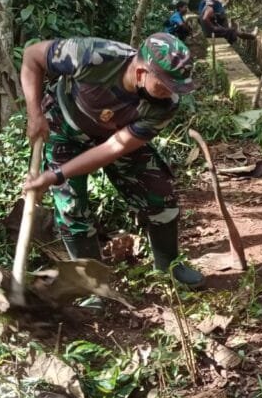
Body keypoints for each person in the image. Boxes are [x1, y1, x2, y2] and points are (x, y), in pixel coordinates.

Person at [20, 33, 204, 287]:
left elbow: (115, 147)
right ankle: (92, 285)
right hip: (64, 129)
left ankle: (169, 267)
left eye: (176, 86)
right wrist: (34, 114)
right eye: (164, 85)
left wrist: (56, 175)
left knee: (159, 192)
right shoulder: (92, 56)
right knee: (71, 209)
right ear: (141, 73)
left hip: (114, 138)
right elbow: (32, 57)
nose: (170, 92)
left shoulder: (166, 106)